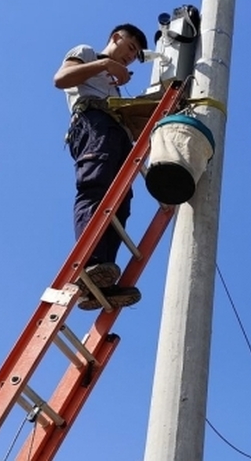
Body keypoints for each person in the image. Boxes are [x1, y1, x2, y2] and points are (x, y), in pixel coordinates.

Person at [54, 23, 149, 310]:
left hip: (117, 132)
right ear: (116, 38)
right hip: (92, 122)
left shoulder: (114, 85)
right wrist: (105, 64)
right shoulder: (88, 53)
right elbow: (61, 79)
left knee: (121, 202)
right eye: (130, 47)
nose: (130, 57)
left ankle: (102, 278)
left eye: (135, 54)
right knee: (96, 185)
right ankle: (90, 264)